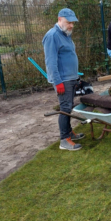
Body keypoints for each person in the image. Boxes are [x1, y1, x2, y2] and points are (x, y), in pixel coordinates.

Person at [44, 8, 85, 151]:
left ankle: (69, 133)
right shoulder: (52, 36)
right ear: (60, 19)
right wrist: (57, 81)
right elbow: (51, 62)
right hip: (63, 80)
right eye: (69, 23)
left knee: (68, 107)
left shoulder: (66, 34)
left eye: (73, 23)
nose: (71, 26)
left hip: (70, 78)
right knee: (65, 108)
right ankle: (64, 140)